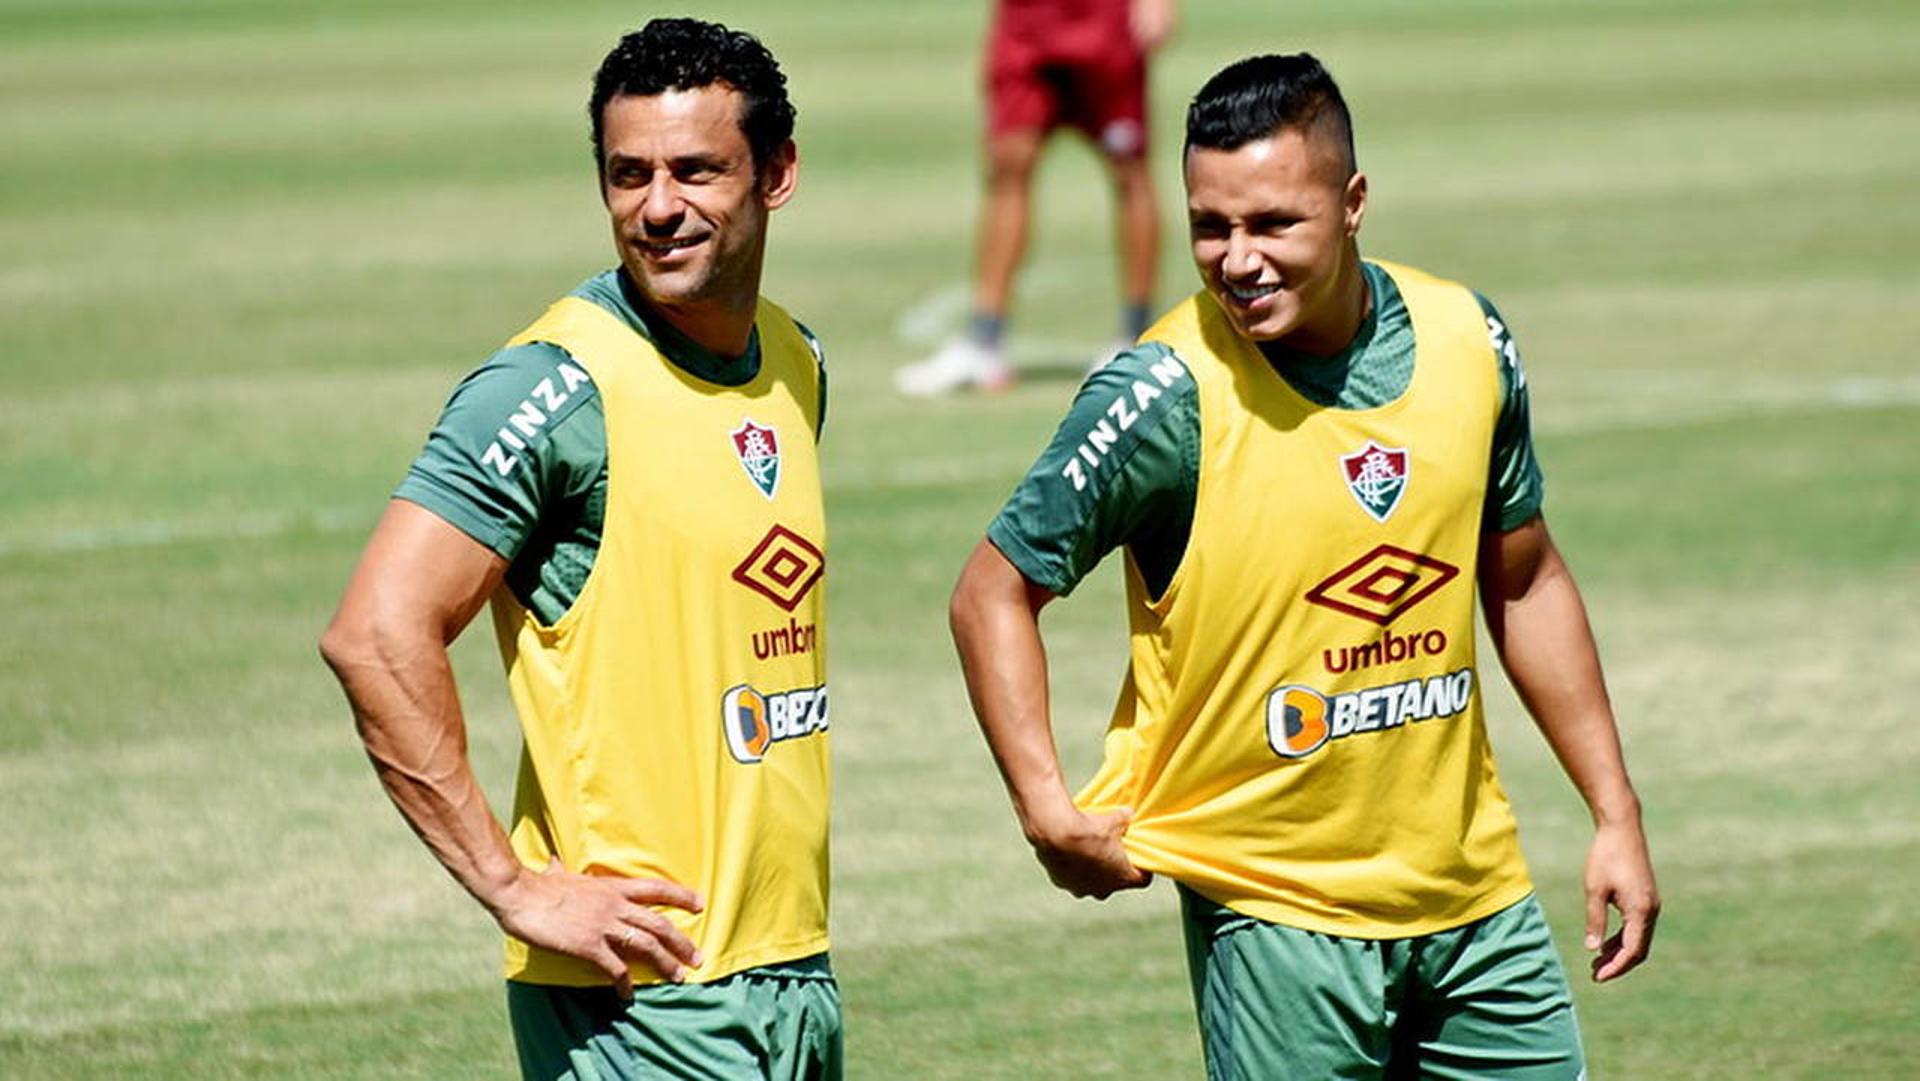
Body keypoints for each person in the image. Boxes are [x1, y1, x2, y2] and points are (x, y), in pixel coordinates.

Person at [949, 53, 1659, 1079]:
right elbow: (992, 592)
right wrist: (1046, 806)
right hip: (1275, 916)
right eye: (1210, 226)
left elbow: (1525, 577)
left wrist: (1614, 815)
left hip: (1480, 906)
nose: (1238, 259)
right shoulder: (1163, 392)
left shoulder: (1470, 337)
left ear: (1353, 201)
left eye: (1274, 223)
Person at [319, 19, 840, 1080]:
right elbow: (375, 634)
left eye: (697, 170)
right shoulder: (551, 389)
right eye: (628, 174)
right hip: (637, 998)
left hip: (791, 968)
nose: (657, 207)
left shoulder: (795, 360)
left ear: (777, 174)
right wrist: (514, 886)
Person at [894, 0, 1178, 395]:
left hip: (1104, 21)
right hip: (1026, 22)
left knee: (1129, 169)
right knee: (1007, 165)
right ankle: (984, 339)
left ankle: (1136, 334)